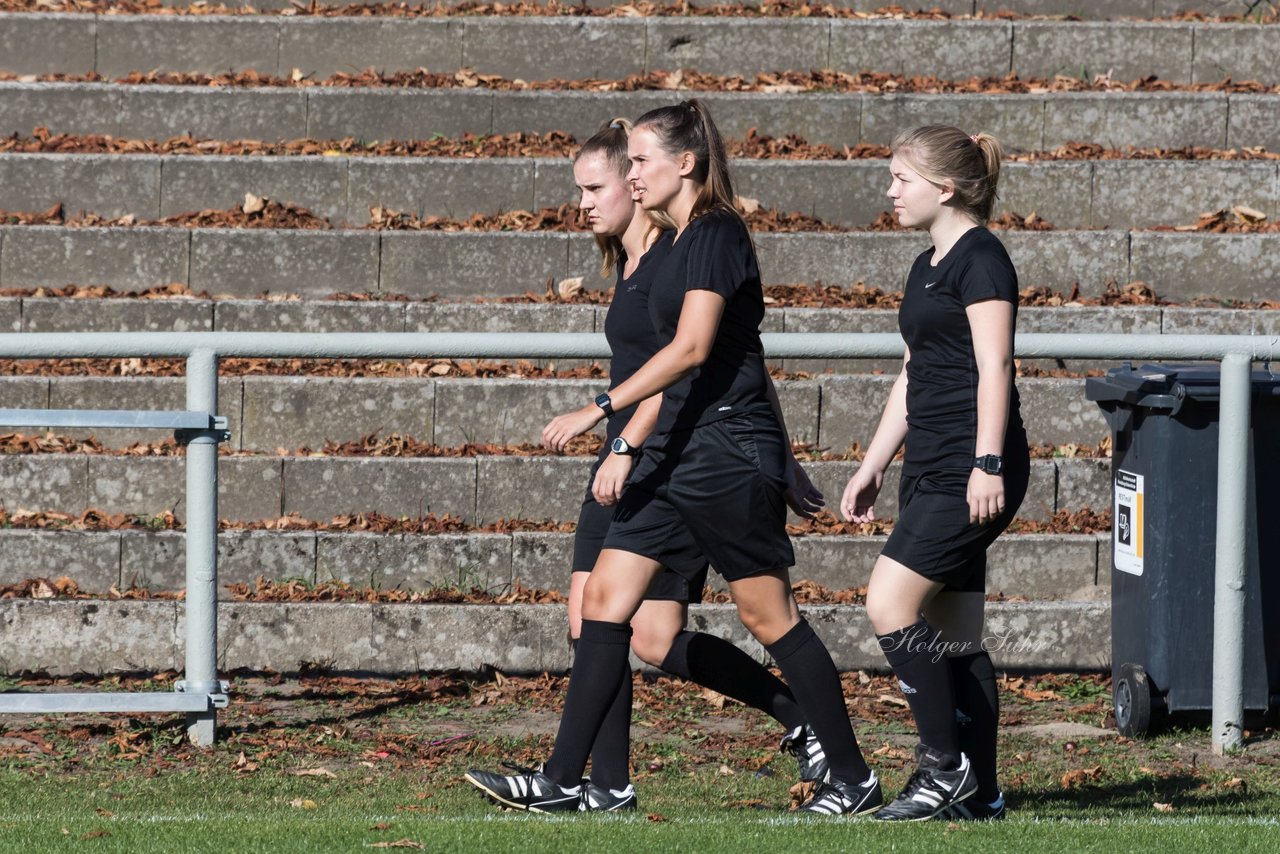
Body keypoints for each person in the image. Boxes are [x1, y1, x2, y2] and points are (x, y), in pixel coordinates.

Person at [465, 99, 880, 816]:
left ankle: (853, 777)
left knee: (768, 616)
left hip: (721, 451)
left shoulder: (716, 232)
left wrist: (600, 414)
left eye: (642, 162)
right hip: (675, 452)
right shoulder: (678, 240)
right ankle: (568, 781)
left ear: (684, 164)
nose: (632, 176)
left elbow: (690, 351)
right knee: (603, 602)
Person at [839, 125, 1029, 822]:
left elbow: (995, 367)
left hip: (970, 463)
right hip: (931, 461)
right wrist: (873, 462)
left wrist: (986, 463)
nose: (890, 191)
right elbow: (916, 369)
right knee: (954, 636)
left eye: (901, 179)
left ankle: (942, 769)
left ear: (944, 188)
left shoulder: (982, 259)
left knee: (889, 604)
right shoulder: (928, 263)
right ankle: (982, 791)